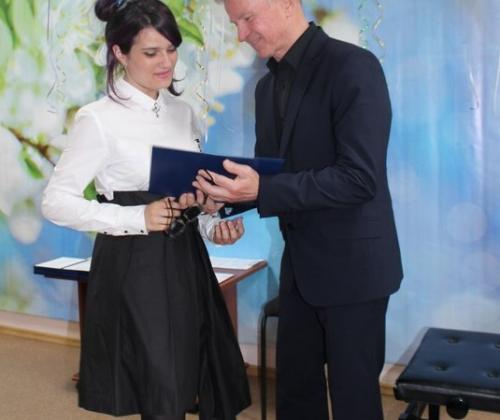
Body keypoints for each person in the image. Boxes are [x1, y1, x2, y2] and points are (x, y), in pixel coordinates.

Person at [193, 0, 403, 419]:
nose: (240, 34)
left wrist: (261, 188)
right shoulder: (265, 88)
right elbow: (272, 176)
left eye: (247, 18)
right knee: (294, 398)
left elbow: (359, 179)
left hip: (355, 271)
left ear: (287, 4)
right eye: (235, 23)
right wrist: (226, 202)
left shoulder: (353, 67)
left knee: (354, 404)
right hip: (300, 269)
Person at [41, 0, 251, 419]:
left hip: (187, 263)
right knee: (160, 389)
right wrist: (134, 217)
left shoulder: (184, 113)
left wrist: (213, 224)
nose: (166, 62)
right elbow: (55, 201)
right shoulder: (97, 119)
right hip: (134, 267)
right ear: (119, 53)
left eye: (171, 50)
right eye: (151, 52)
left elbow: (190, 196)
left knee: (197, 375)